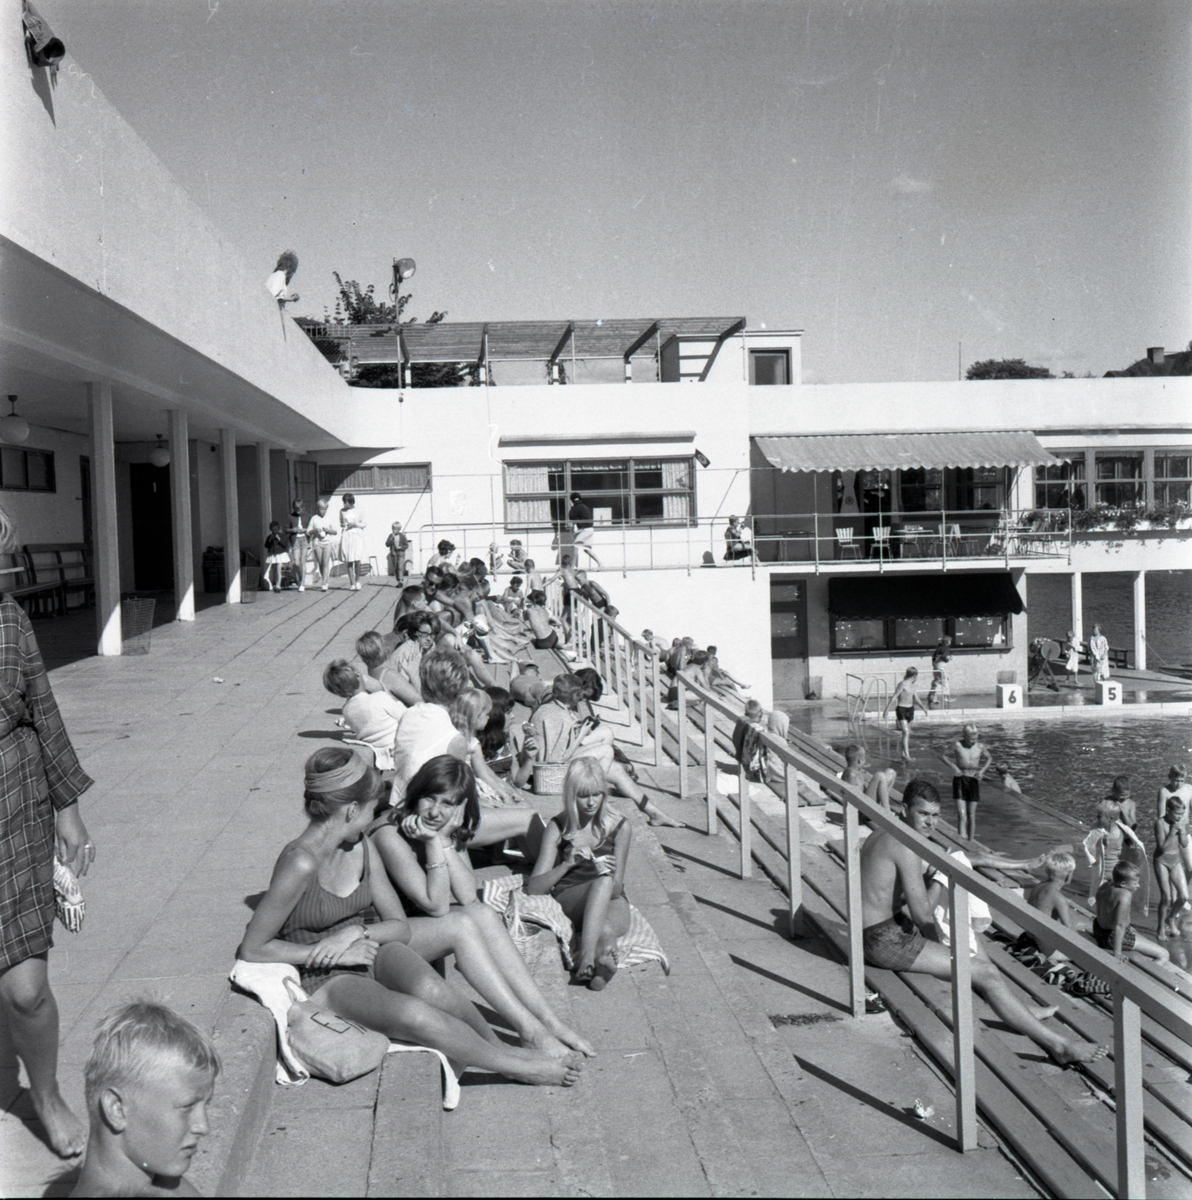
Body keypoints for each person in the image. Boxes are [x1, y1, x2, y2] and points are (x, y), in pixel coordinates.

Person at [239, 748, 582, 1088]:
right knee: (415, 1014)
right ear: (352, 810)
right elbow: (253, 948)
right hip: (325, 977)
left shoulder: (361, 846)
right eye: (373, 806)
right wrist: (331, 949)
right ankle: (516, 1066)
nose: (376, 813)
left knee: (436, 991)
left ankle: (502, 1051)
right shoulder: (300, 862)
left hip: (369, 948)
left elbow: (399, 926)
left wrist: (355, 933)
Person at [859, 780, 1106, 1066]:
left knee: (971, 941)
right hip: (885, 941)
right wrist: (941, 877)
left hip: (881, 929)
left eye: (936, 815)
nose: (930, 822)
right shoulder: (905, 846)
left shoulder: (887, 832)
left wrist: (1022, 865)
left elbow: (966, 858)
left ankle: (1016, 1009)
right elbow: (923, 915)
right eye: (923, 814)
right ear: (904, 809)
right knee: (984, 971)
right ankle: (1060, 1045)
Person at [370, 755, 593, 1057]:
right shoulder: (389, 834)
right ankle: (529, 1031)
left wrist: (445, 840)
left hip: (411, 929)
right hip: (379, 941)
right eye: (429, 799)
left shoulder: (438, 829)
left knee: (484, 914)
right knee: (462, 925)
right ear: (416, 794)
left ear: (460, 807)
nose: (436, 811)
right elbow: (435, 907)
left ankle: (548, 1021)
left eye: (448, 803)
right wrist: (435, 843)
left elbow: (467, 897)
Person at [0, 513, 96, 1159]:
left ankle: (47, 1093)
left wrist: (67, 805)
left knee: (25, 989)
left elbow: (41, 701)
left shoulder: (9, 617)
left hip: (11, 798)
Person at [391, 650, 543, 851]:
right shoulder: (454, 737)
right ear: (460, 687)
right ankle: (552, 872)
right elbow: (462, 795)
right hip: (432, 821)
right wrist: (504, 805)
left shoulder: (410, 715)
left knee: (514, 809)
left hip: (403, 807)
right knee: (529, 816)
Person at [72, 1001, 219, 1198]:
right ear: (117, 1109)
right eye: (187, 1107)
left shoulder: (158, 1179)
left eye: (205, 1105)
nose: (203, 1126)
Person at [528, 758, 631, 990]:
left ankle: (600, 971)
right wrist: (566, 864)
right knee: (603, 883)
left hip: (611, 899)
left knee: (605, 924)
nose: (592, 802)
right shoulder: (559, 827)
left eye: (597, 794)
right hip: (571, 897)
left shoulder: (620, 827)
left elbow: (616, 890)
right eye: (584, 796)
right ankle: (586, 956)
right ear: (571, 795)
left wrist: (609, 872)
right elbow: (534, 888)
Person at [530, 674, 681, 827]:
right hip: (553, 771)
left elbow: (558, 744)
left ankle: (654, 813)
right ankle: (596, 794)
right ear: (574, 695)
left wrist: (581, 731)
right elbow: (558, 758)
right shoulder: (560, 715)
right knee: (607, 751)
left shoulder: (550, 708)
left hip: (553, 763)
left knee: (615, 767)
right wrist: (581, 733)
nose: (581, 699)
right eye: (579, 695)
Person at [324, 659, 406, 773]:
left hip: (380, 754)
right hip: (401, 747)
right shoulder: (379, 698)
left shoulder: (346, 710)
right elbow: (407, 717)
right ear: (358, 675)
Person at [1093, 861, 1169, 966]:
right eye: (1135, 883)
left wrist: (1127, 926)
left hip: (1098, 931)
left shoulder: (1104, 886)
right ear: (1123, 884)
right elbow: (1119, 925)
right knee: (1164, 954)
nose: (1138, 886)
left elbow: (1105, 912)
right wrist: (1117, 953)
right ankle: (1142, 980)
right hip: (1111, 938)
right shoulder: (1125, 894)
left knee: (1143, 939)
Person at [1083, 799, 1145, 908]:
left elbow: (1131, 842)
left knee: (1114, 899)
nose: (1096, 818)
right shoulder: (1096, 827)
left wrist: (1135, 851)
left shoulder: (1121, 831)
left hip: (1115, 872)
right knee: (1098, 900)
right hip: (1100, 871)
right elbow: (1090, 845)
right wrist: (1099, 840)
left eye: (1099, 816)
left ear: (1110, 819)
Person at [1021, 851, 1079, 961]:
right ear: (1069, 875)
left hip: (1029, 937)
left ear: (1047, 871)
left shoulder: (1039, 886)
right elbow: (1070, 930)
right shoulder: (1058, 898)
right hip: (1046, 948)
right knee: (1083, 954)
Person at [942, 723, 993, 841]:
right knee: (962, 815)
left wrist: (982, 771)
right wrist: (954, 767)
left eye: (975, 739)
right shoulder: (957, 745)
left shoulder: (980, 746)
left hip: (973, 780)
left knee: (971, 815)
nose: (973, 741)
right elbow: (943, 755)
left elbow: (989, 758)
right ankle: (961, 842)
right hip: (960, 780)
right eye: (971, 739)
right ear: (964, 736)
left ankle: (970, 841)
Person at [1154, 796, 1189, 941]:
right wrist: (1172, 831)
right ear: (1168, 810)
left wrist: (1181, 832)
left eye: (1182, 814)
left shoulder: (1181, 823)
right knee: (1166, 898)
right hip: (1161, 861)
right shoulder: (1160, 823)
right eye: (1177, 814)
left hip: (1175, 861)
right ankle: (1160, 928)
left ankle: (1171, 918)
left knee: (1183, 897)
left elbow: (1185, 844)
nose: (1179, 817)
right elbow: (1162, 848)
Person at [884, 667, 928, 762]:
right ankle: (907, 756)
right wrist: (886, 709)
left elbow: (915, 697)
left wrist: (923, 707)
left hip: (911, 710)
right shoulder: (902, 684)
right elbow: (895, 696)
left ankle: (903, 754)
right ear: (914, 676)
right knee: (906, 732)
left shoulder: (913, 686)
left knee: (906, 733)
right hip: (901, 709)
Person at [840, 744, 897, 812]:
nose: (865, 760)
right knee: (880, 775)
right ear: (859, 760)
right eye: (864, 758)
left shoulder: (856, 771)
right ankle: (887, 812)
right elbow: (853, 799)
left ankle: (884, 805)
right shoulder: (851, 773)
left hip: (865, 804)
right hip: (861, 810)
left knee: (890, 772)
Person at [1157, 765, 1192, 874]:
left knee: (1190, 866)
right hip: (1169, 831)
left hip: (1185, 829)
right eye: (1176, 780)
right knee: (1171, 863)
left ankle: (1186, 889)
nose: (1179, 784)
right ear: (1169, 777)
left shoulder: (1189, 789)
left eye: (1182, 781)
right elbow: (1161, 815)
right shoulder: (1164, 791)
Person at [306, 497, 338, 592]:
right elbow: (308, 532)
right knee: (320, 563)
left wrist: (328, 530)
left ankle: (324, 582)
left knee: (325, 562)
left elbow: (335, 531)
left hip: (327, 543)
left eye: (325, 509)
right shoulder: (314, 518)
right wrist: (314, 530)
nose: (323, 511)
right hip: (317, 543)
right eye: (321, 509)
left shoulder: (329, 519)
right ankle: (324, 578)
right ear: (317, 509)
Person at [338, 493, 367, 591]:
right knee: (349, 560)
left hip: (357, 536)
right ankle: (352, 582)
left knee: (357, 559)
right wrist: (344, 525)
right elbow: (341, 523)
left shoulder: (359, 511)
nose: (344, 504)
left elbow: (364, 524)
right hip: (347, 536)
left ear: (350, 502)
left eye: (345, 502)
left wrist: (355, 524)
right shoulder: (342, 511)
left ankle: (358, 580)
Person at [567, 492, 602, 570]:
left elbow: (571, 517)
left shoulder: (576, 508)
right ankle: (600, 563)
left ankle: (573, 565)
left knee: (575, 545)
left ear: (571, 501)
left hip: (585, 530)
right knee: (587, 549)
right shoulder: (585, 506)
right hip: (590, 529)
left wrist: (572, 508)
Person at [263, 520, 289, 593]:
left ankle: (278, 585)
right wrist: (270, 541)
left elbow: (285, 544)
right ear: (271, 529)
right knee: (274, 570)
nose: (275, 531)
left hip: (280, 554)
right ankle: (275, 583)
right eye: (273, 529)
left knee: (278, 569)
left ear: (279, 528)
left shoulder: (282, 535)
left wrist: (279, 539)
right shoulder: (270, 537)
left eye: (276, 529)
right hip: (273, 554)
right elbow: (266, 545)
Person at [288, 500, 308, 592]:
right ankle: (299, 579)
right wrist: (293, 530)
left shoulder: (307, 516)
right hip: (295, 540)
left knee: (303, 561)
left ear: (303, 508)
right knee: (296, 563)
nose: (298, 511)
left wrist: (305, 530)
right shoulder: (290, 517)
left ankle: (302, 583)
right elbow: (286, 529)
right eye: (296, 509)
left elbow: (311, 529)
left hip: (304, 540)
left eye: (300, 509)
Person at [926, 637, 952, 708]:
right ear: (947, 642)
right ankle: (946, 698)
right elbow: (944, 657)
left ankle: (931, 697)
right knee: (945, 681)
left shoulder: (938, 648)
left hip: (936, 665)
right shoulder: (946, 648)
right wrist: (948, 659)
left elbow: (933, 657)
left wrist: (934, 664)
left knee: (936, 681)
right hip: (942, 665)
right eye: (950, 641)